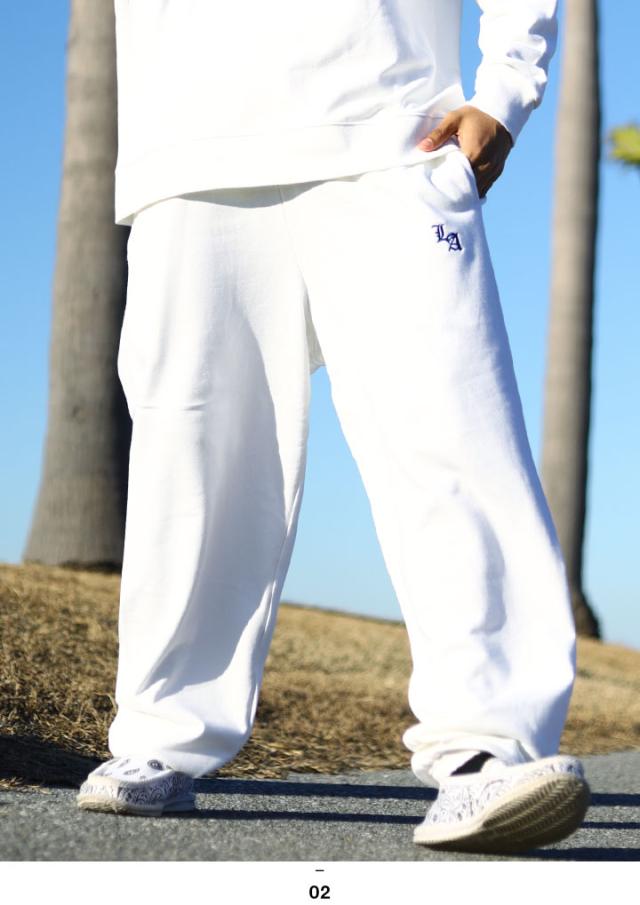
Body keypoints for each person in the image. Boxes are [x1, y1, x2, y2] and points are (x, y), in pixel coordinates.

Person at [77, 0, 591, 853]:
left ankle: (487, 747)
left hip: (393, 127)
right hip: (188, 145)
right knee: (190, 460)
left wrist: (507, 85)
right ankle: (160, 734)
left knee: (453, 435)